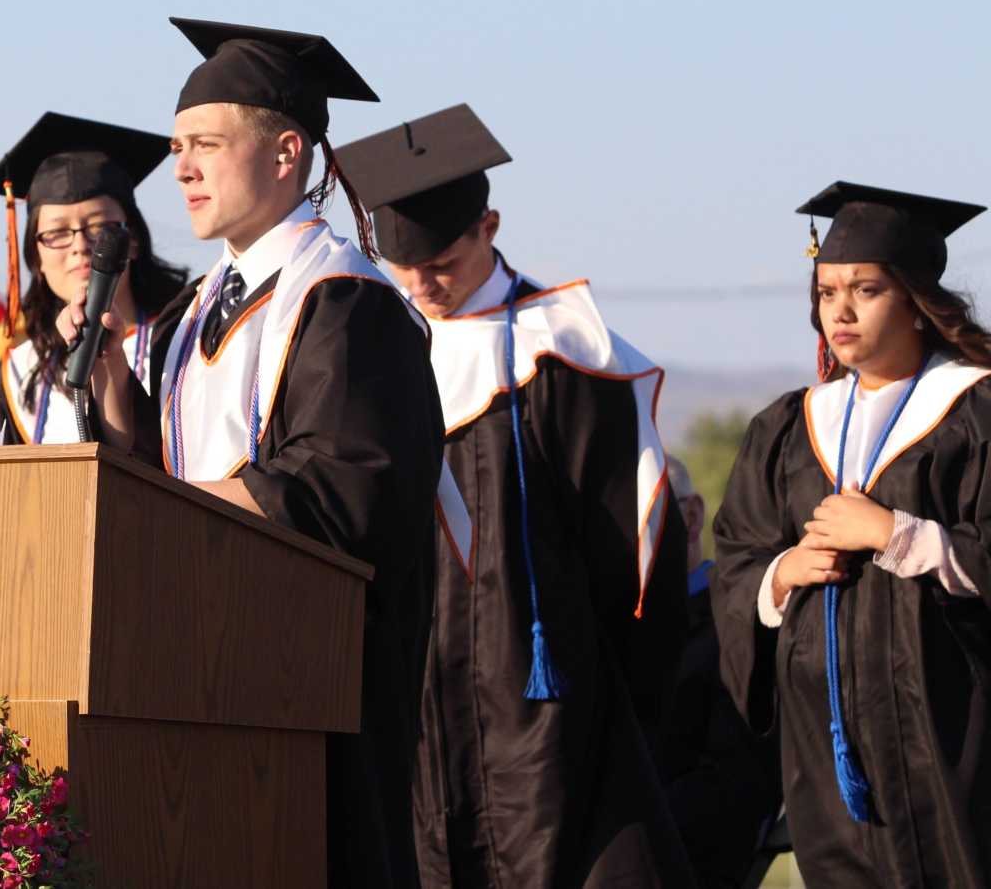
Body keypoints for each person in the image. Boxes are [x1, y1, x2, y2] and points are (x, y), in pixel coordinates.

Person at [66, 18, 457, 886]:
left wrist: (160, 505)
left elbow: (340, 494)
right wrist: (112, 388)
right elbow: (160, 479)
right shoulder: (189, 314)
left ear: (287, 153)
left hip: (312, 690)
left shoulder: (346, 302)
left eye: (206, 144)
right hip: (191, 670)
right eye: (177, 148)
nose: (181, 168)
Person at [335, 103, 693, 888]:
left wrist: (600, 693)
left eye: (443, 261)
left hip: (548, 717)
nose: (423, 283)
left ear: (489, 226)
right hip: (413, 711)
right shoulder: (369, 357)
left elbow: (634, 566)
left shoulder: (563, 353)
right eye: (404, 266)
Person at [712, 182, 991, 887]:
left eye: (866, 290)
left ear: (916, 301)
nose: (839, 310)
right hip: (825, 746)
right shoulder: (790, 426)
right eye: (827, 291)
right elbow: (738, 557)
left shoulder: (974, 411)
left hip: (950, 740)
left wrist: (899, 535)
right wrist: (782, 574)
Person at [0, 112, 187, 446]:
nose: (80, 246)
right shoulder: (9, 379)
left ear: (133, 240)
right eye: (57, 233)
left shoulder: (183, 343)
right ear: (35, 257)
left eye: (100, 228)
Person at [653, 454, 781, 889]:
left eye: (643, 518)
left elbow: (738, 785)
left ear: (691, 518)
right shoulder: (607, 635)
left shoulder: (739, 626)